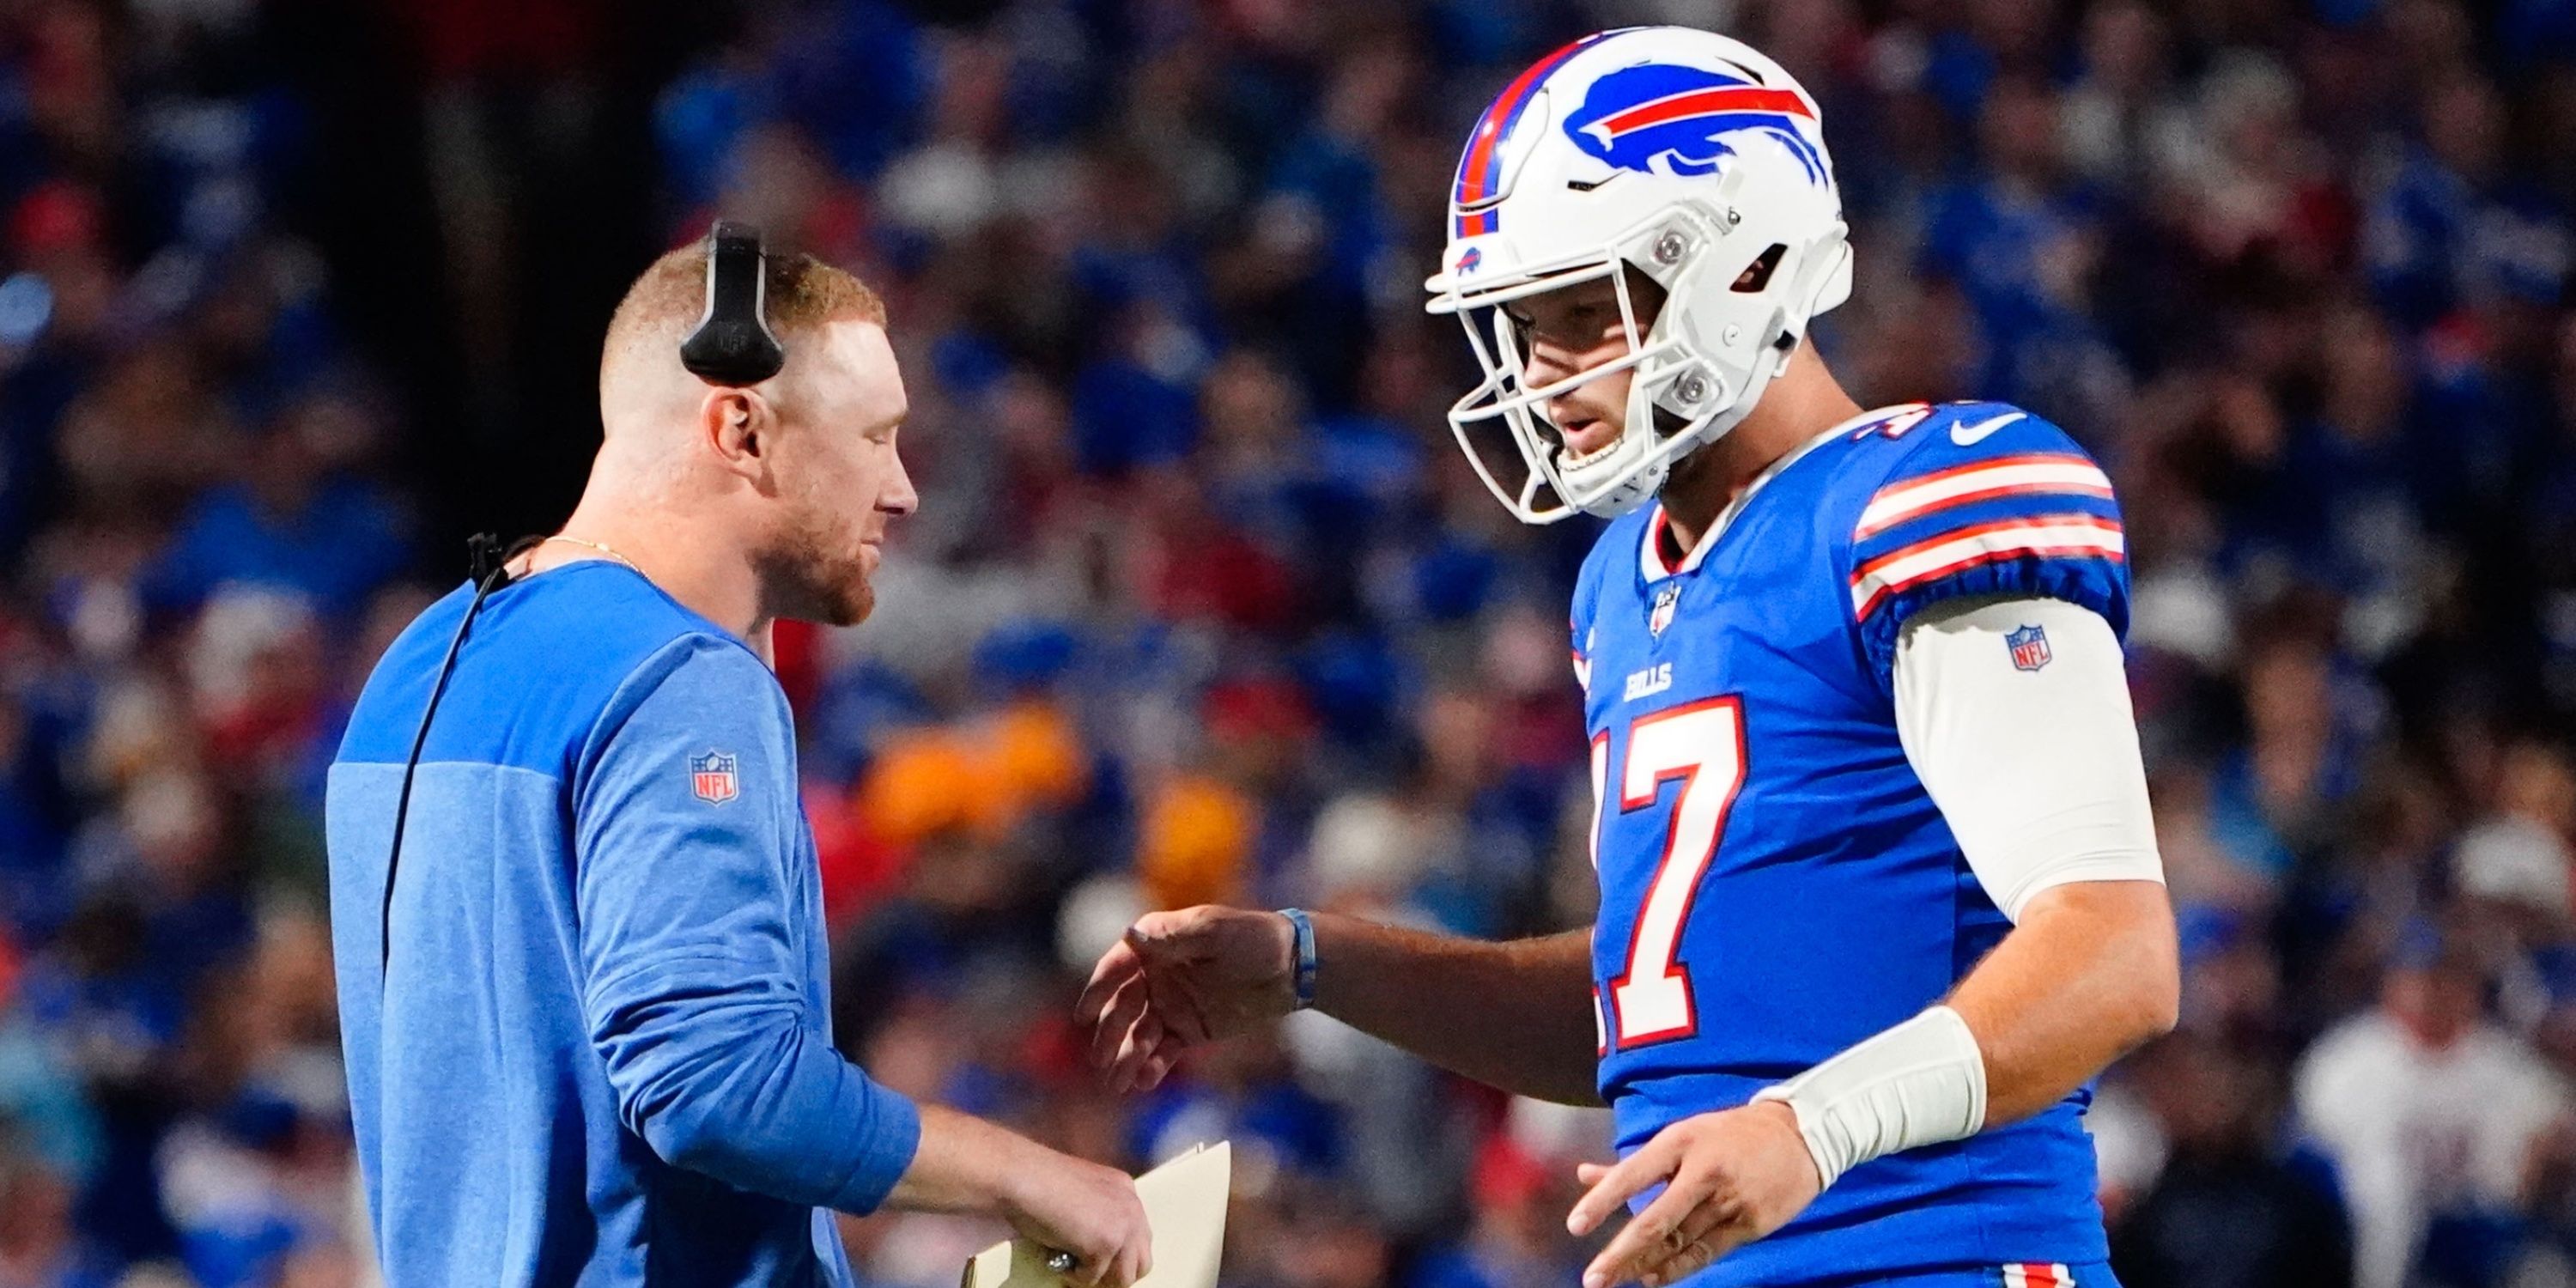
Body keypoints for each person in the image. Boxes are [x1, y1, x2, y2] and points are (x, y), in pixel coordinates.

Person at [1078, 28, 2177, 1288]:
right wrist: (1313, 961)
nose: (1542, 376)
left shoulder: (1925, 496)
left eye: (1581, 315)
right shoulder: (1626, 578)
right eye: (1521, 326)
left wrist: (1808, 1130)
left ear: (1745, 263)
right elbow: (1660, 1013)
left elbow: (2115, 952)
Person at [325, 235, 1152, 1288]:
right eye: (876, 438)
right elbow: (710, 1081)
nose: (903, 490)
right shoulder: (680, 678)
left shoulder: (421, 660)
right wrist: (1030, 1176)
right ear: (742, 427)